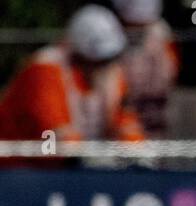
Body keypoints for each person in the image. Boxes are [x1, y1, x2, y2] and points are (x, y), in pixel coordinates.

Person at [0, 5, 144, 155]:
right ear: (77, 56)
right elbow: (52, 133)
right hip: (18, 167)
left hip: (73, 170)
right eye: (95, 62)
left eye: (107, 60)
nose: (101, 69)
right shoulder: (44, 71)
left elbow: (126, 122)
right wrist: (92, 157)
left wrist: (133, 150)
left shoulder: (111, 73)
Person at [112, 0, 179, 139]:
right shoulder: (113, 29)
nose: (137, 28)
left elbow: (168, 73)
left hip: (152, 104)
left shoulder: (160, 32)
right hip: (124, 104)